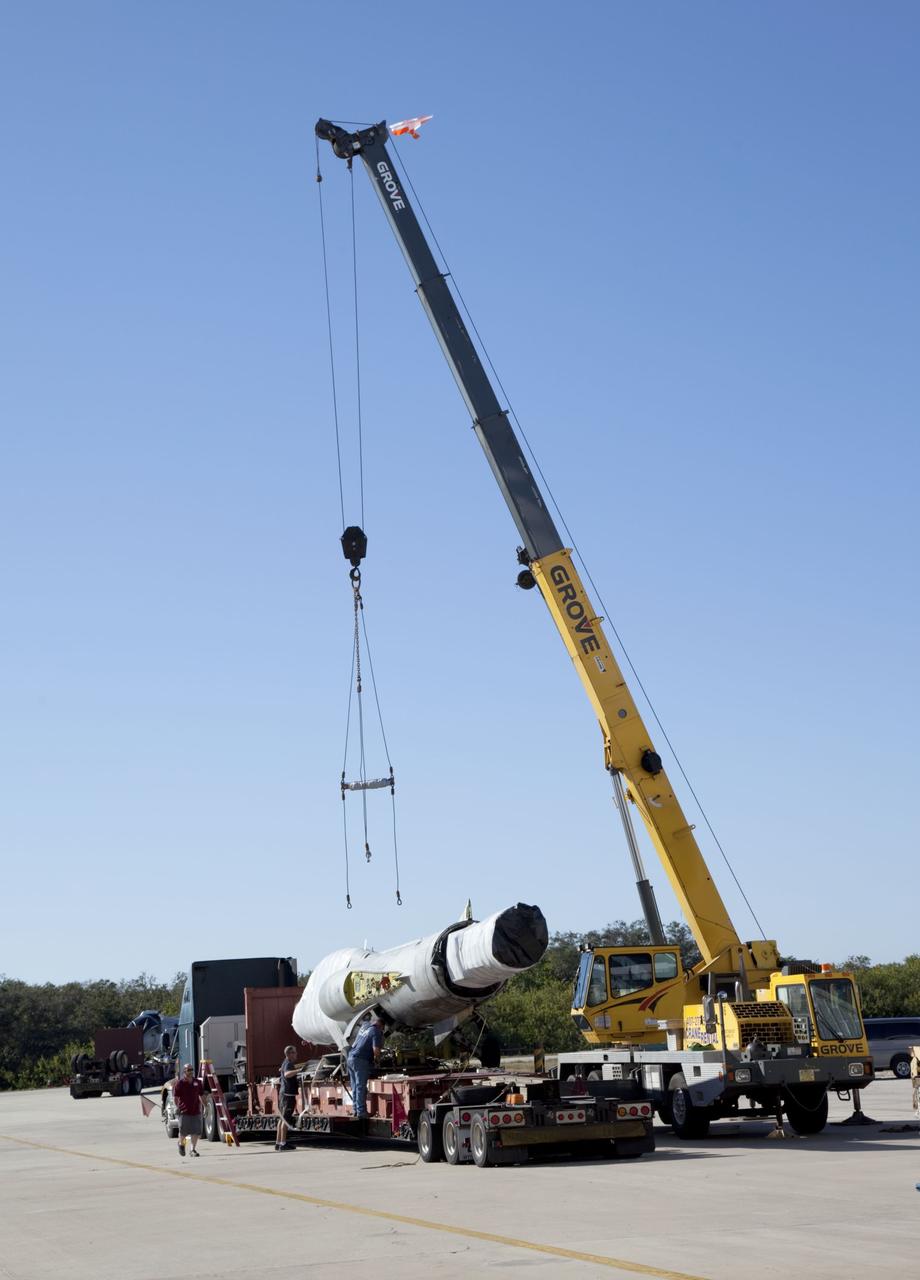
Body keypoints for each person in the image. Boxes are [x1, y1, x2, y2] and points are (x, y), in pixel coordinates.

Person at [346, 1013, 384, 1119]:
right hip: (360, 1060)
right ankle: (361, 1112)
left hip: (350, 1058)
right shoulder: (376, 1031)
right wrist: (378, 1061)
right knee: (361, 1086)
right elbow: (376, 1051)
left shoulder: (365, 1025)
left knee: (355, 1086)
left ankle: (355, 1110)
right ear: (381, 1026)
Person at [173, 1063, 204, 1157]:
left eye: (192, 1069)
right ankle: (181, 1144)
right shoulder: (180, 1083)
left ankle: (192, 1150)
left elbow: (201, 1095)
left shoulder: (197, 1082)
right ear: (184, 1071)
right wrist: (178, 1107)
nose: (191, 1071)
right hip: (184, 1111)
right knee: (183, 1132)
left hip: (195, 1111)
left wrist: (205, 1106)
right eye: (189, 1070)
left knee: (196, 1131)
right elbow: (176, 1097)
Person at [275, 1045, 300, 1151]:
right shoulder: (289, 1063)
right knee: (285, 1120)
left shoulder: (285, 1062)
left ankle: (278, 1143)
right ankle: (283, 1144)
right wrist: (298, 1071)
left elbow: (282, 1070)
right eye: (294, 1052)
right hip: (287, 1095)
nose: (296, 1054)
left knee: (282, 1120)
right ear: (289, 1054)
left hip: (284, 1094)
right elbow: (287, 1074)